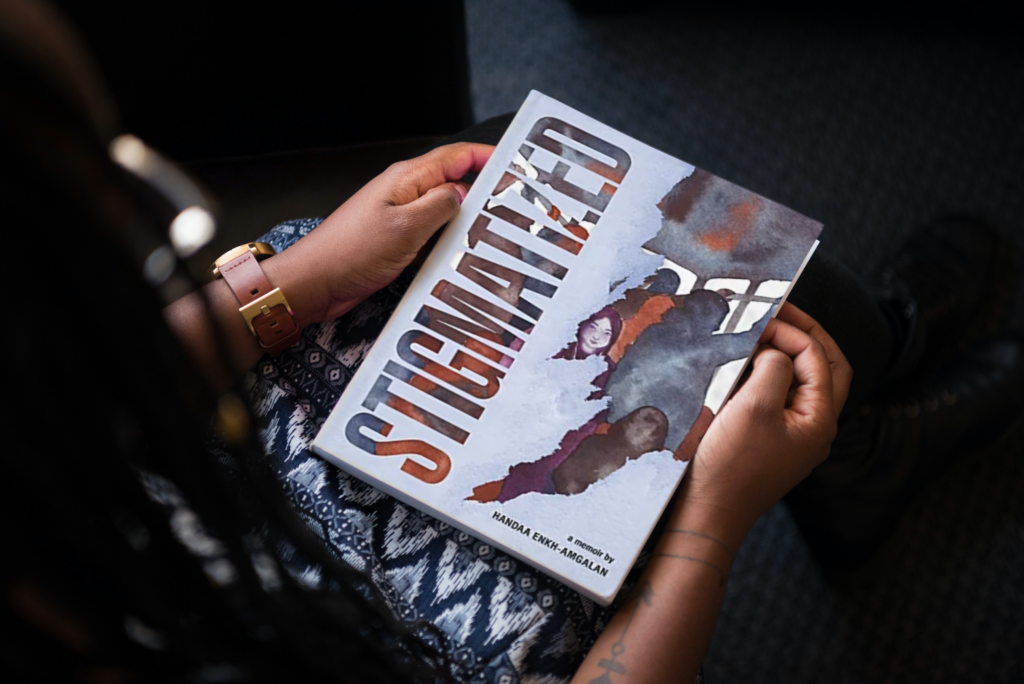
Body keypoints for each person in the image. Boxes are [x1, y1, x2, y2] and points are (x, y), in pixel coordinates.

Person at [4, 2, 1023, 683]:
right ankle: (867, 423)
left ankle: (858, 428)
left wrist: (294, 284)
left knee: (584, 202)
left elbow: (87, 395)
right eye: (117, 202)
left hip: (262, 437)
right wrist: (708, 530)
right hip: (458, 629)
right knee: (727, 338)